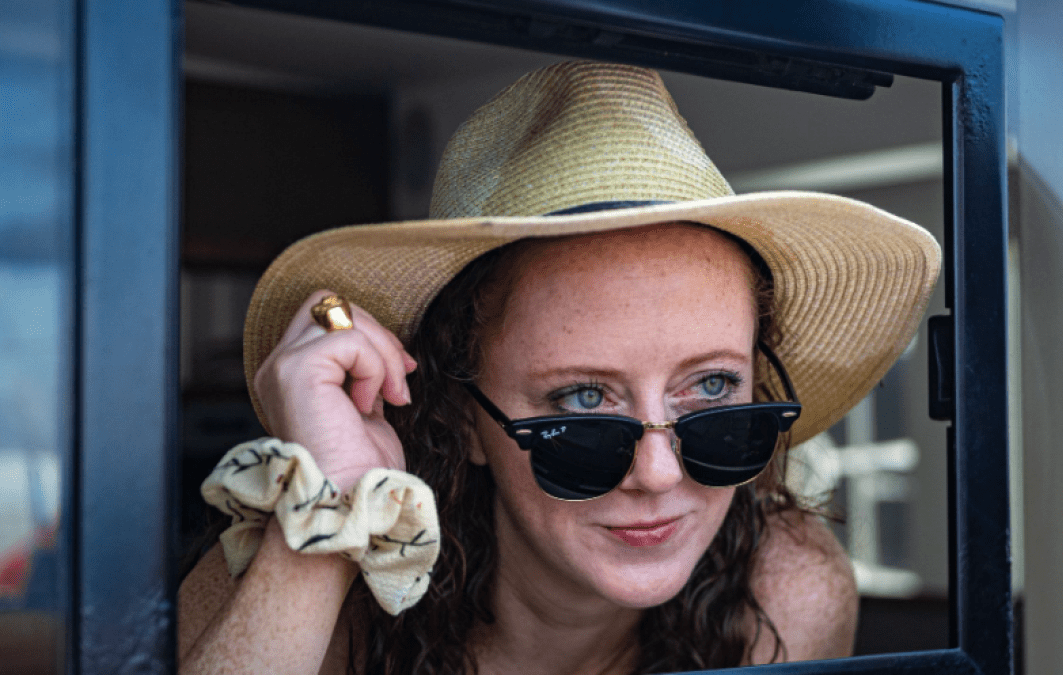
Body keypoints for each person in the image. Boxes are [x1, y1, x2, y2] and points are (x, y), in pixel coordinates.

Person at [178, 60, 940, 675]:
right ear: (460, 416)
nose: (657, 472)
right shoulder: (283, 589)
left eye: (711, 387)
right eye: (582, 397)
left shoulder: (780, 588)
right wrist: (335, 508)